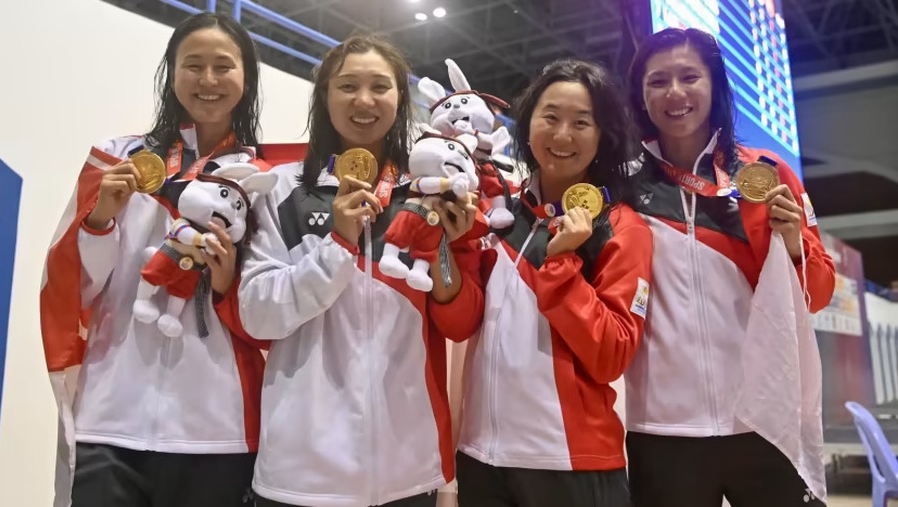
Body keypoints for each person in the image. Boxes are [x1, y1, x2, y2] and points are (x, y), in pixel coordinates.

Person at [236, 34, 482, 507]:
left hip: (407, 472)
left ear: (400, 98)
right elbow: (256, 314)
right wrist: (340, 244)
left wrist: (446, 246)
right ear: (324, 95)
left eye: (380, 87)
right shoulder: (282, 188)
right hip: (300, 473)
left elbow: (461, 321)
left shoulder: (429, 188)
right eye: (348, 86)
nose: (364, 100)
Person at [40, 12, 269, 507]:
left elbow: (271, 303)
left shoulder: (264, 180)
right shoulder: (117, 159)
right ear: (171, 73)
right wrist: (100, 220)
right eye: (193, 65)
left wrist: (228, 280)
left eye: (223, 66)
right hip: (110, 419)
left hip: (217, 427)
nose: (208, 80)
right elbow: (72, 288)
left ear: (246, 78)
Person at [622, 27, 836, 507]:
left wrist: (793, 245)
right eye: (657, 81)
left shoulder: (767, 173)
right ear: (640, 95)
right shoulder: (622, 187)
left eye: (689, 77)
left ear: (715, 85)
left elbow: (818, 294)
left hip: (765, 419)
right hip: (661, 428)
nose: (674, 93)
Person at [453, 59, 652, 507]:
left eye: (582, 123)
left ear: (603, 137)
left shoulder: (621, 227)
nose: (562, 135)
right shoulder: (498, 211)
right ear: (526, 126)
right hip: (481, 455)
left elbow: (612, 355)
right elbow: (461, 320)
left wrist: (562, 265)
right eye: (550, 117)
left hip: (570, 463)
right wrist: (453, 248)